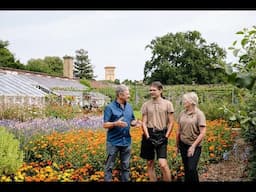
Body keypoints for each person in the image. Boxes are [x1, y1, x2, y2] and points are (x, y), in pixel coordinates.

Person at [103, 84, 140, 182]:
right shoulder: (110, 107)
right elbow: (105, 125)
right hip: (113, 142)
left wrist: (135, 123)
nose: (129, 96)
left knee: (126, 166)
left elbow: (131, 120)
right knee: (109, 167)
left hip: (126, 141)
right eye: (127, 94)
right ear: (120, 95)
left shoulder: (129, 107)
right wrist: (116, 123)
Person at [140, 81, 174, 181]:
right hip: (149, 134)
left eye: (154, 90)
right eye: (150, 90)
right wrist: (148, 137)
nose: (151, 92)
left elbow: (171, 122)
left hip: (162, 134)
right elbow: (144, 122)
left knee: (162, 164)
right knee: (150, 163)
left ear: (160, 90)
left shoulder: (168, 104)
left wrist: (166, 137)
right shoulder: (146, 105)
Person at [176, 92, 206, 183]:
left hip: (195, 145)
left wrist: (193, 146)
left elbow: (202, 133)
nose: (183, 101)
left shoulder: (199, 114)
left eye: (185, 100)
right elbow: (178, 131)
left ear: (192, 102)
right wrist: (176, 146)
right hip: (183, 144)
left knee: (192, 168)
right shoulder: (182, 113)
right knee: (186, 168)